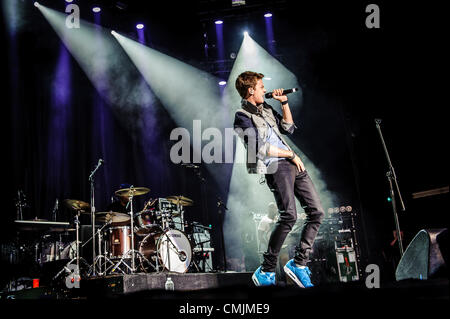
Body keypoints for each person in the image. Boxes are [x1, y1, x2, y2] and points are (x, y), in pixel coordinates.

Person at [233, 71, 325, 288]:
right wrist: (290, 155)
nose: (265, 89)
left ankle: (299, 264)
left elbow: (288, 129)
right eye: (261, 86)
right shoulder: (241, 116)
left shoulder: (266, 108)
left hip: (293, 162)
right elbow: (259, 149)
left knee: (317, 212)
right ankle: (266, 270)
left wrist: (284, 104)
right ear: (250, 90)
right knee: (289, 216)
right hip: (276, 164)